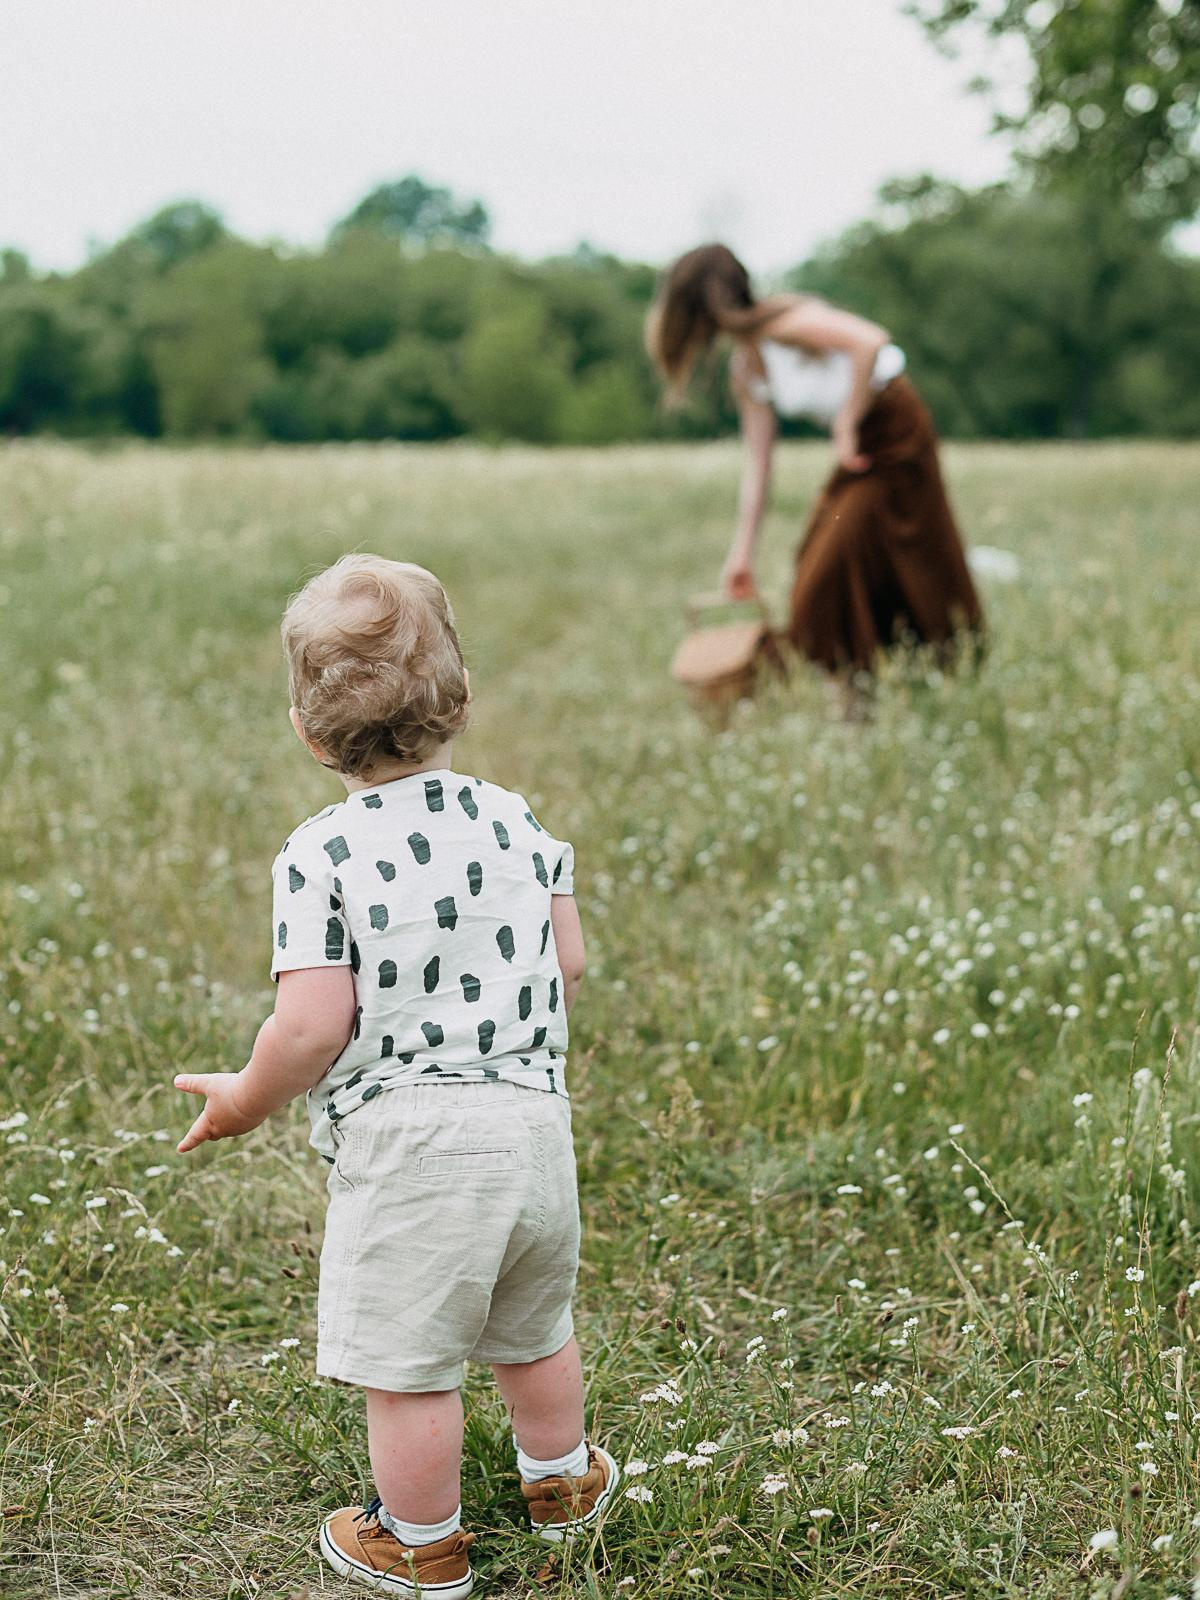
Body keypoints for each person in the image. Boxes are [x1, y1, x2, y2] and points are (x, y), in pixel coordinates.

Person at [173, 554, 618, 1597]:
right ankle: (561, 1483)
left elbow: (311, 1024)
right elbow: (569, 962)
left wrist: (244, 1096)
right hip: (533, 1126)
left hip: (414, 1145)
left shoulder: (318, 853)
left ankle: (419, 1541)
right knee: (534, 1328)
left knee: (410, 1367)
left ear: (308, 730)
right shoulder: (516, 819)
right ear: (458, 697)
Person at [647, 244, 983, 701]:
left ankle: (895, 677)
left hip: (895, 428)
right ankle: (853, 692)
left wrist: (847, 420)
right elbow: (759, 464)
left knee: (836, 564)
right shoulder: (746, 368)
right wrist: (741, 553)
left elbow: (870, 340)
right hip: (862, 445)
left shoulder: (785, 324)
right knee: (817, 567)